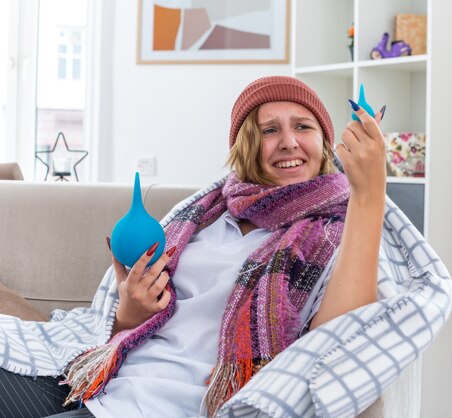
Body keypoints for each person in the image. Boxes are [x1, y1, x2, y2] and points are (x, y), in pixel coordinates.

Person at [0, 76, 390, 418]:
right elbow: (119, 327)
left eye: (302, 126)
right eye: (269, 130)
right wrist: (129, 314)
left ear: (324, 142)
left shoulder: (337, 232)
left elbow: (339, 337)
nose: (288, 142)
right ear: (246, 145)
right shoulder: (203, 215)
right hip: (98, 380)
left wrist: (370, 190)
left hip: (165, 404)